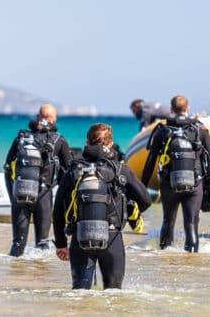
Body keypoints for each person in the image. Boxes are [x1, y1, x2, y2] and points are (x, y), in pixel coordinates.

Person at [53, 123, 151, 289]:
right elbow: (146, 201)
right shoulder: (121, 170)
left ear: (87, 143)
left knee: (79, 294)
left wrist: (61, 243)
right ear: (111, 144)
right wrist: (129, 206)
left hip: (80, 237)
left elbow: (57, 211)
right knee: (113, 295)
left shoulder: (74, 170)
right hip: (112, 237)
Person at [141, 95, 210, 253]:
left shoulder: (162, 130)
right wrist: (207, 175)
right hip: (194, 184)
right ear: (187, 109)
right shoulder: (199, 129)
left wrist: (142, 187)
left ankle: (165, 256)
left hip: (169, 184)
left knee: (168, 222)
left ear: (171, 110)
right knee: (191, 225)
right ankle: (190, 261)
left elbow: (150, 162)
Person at [4, 104, 73, 256]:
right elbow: (69, 172)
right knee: (42, 242)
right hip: (43, 194)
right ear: (54, 120)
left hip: (21, 192)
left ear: (37, 118)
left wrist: (12, 196)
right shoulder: (59, 140)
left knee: (18, 242)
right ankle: (39, 276)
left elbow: (7, 168)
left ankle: (14, 274)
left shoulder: (22, 139)